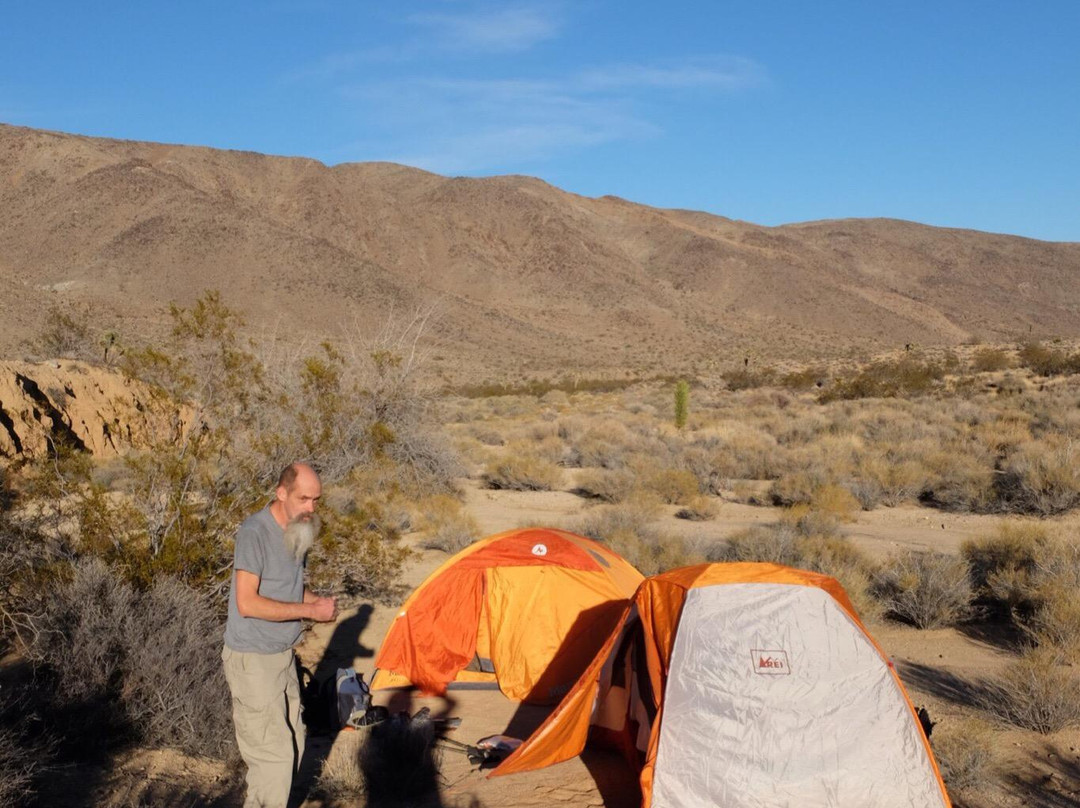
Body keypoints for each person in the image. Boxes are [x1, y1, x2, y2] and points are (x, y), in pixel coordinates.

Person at [222, 462, 338, 808]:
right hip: (253, 660)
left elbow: (287, 590)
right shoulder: (254, 532)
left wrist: (316, 603)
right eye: (304, 499)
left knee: (295, 745)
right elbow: (248, 602)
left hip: (282, 656)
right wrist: (309, 612)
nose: (311, 508)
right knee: (273, 760)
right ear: (281, 493)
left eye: (316, 500)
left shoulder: (297, 530)